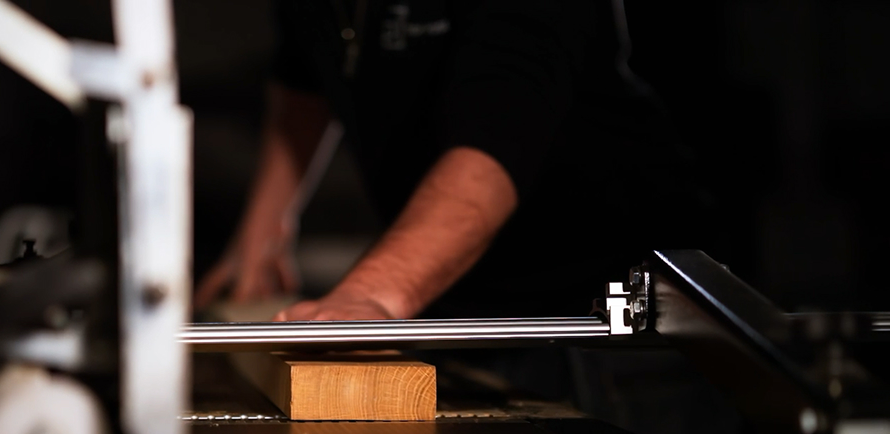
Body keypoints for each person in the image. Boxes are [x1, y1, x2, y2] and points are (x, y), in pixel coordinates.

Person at [195, 0, 711, 322]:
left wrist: (372, 295)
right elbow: (302, 80)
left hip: (609, 311)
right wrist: (261, 236)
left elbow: (494, 145)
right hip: (460, 299)